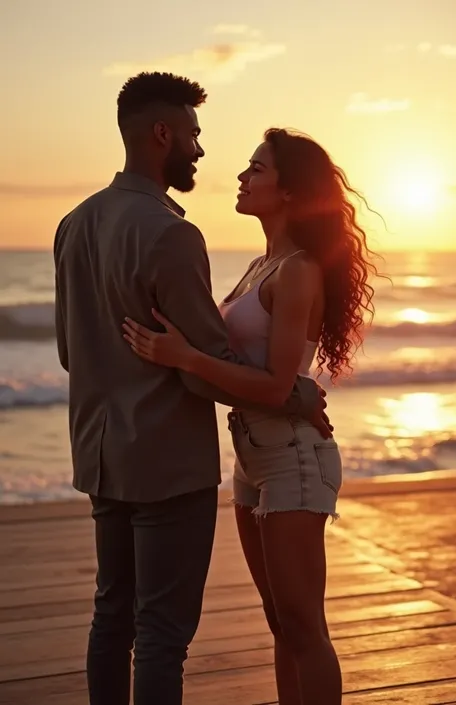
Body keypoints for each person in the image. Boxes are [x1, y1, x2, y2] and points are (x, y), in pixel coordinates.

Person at [53, 73, 330, 705]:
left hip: (99, 457)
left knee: (110, 616)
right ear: (162, 135)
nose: (201, 151)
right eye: (194, 135)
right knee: (161, 634)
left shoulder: (74, 223)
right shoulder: (172, 234)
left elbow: (72, 353)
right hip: (168, 466)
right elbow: (203, 359)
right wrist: (296, 397)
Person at [123, 127, 379, 705]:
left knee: (304, 626)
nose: (241, 176)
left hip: (293, 456)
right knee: (278, 620)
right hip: (253, 457)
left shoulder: (298, 271)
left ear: (290, 192)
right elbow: (246, 370)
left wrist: (183, 355)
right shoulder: (261, 265)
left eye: (256, 168)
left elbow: (274, 385)